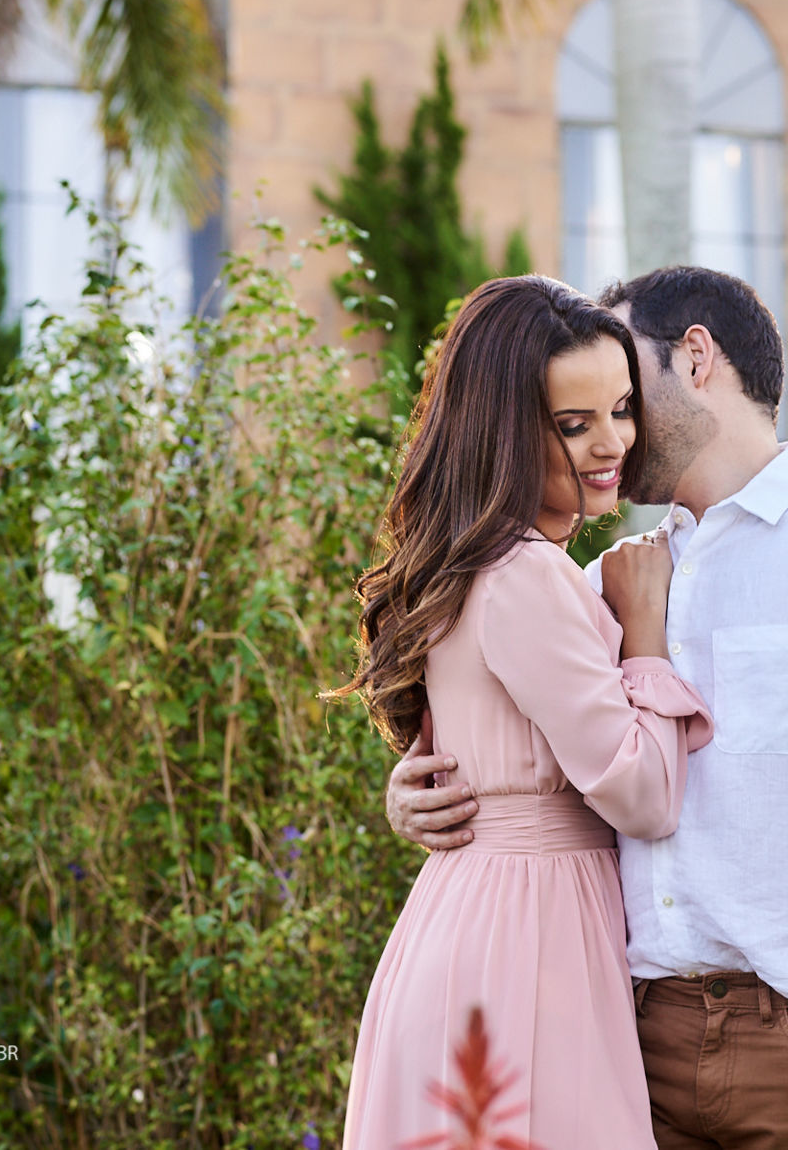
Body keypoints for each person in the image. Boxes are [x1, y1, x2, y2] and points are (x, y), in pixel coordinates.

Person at [387, 266, 788, 1150]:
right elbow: (534, 746)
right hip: (626, 1049)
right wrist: (416, 789)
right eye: (584, 410)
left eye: (627, 390)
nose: (613, 421)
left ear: (698, 356)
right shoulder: (611, 581)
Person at [325, 274, 716, 1150]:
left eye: (621, 409)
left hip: (474, 919)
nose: (612, 443)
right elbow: (644, 796)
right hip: (528, 941)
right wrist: (645, 635)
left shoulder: (483, 563)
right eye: (573, 426)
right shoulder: (527, 575)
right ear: (503, 430)